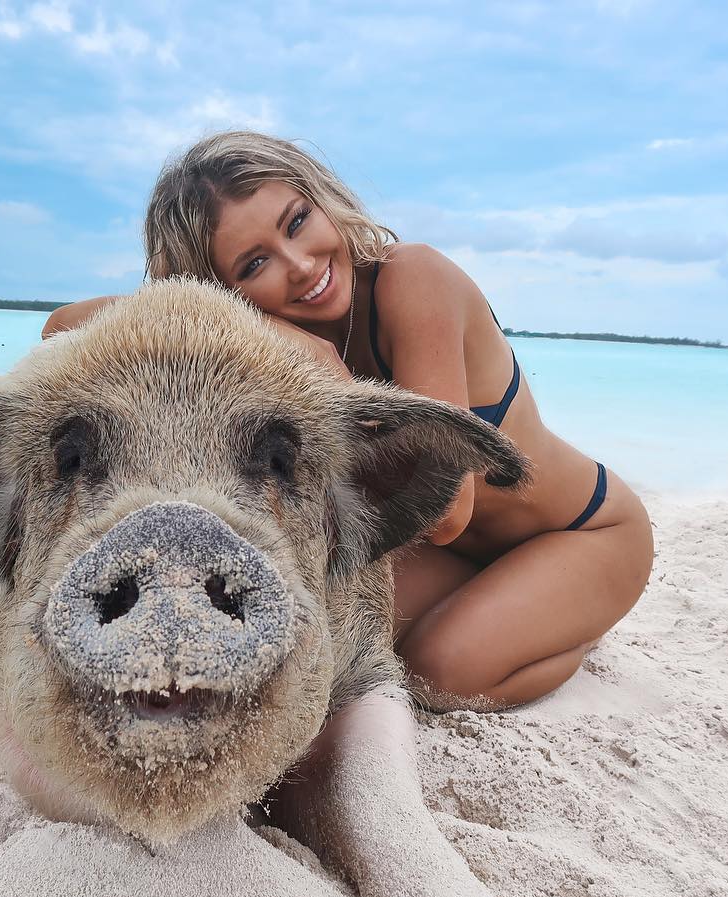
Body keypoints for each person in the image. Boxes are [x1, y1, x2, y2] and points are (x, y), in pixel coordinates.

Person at [43, 130, 654, 714]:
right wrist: (282, 337)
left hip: (581, 535)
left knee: (437, 672)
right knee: (334, 635)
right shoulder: (285, 339)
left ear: (322, 197)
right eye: (255, 264)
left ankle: (574, 640)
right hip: (464, 562)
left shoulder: (414, 280)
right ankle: (514, 616)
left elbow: (447, 512)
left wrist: (331, 373)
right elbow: (63, 324)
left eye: (298, 222)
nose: (301, 265)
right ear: (220, 290)